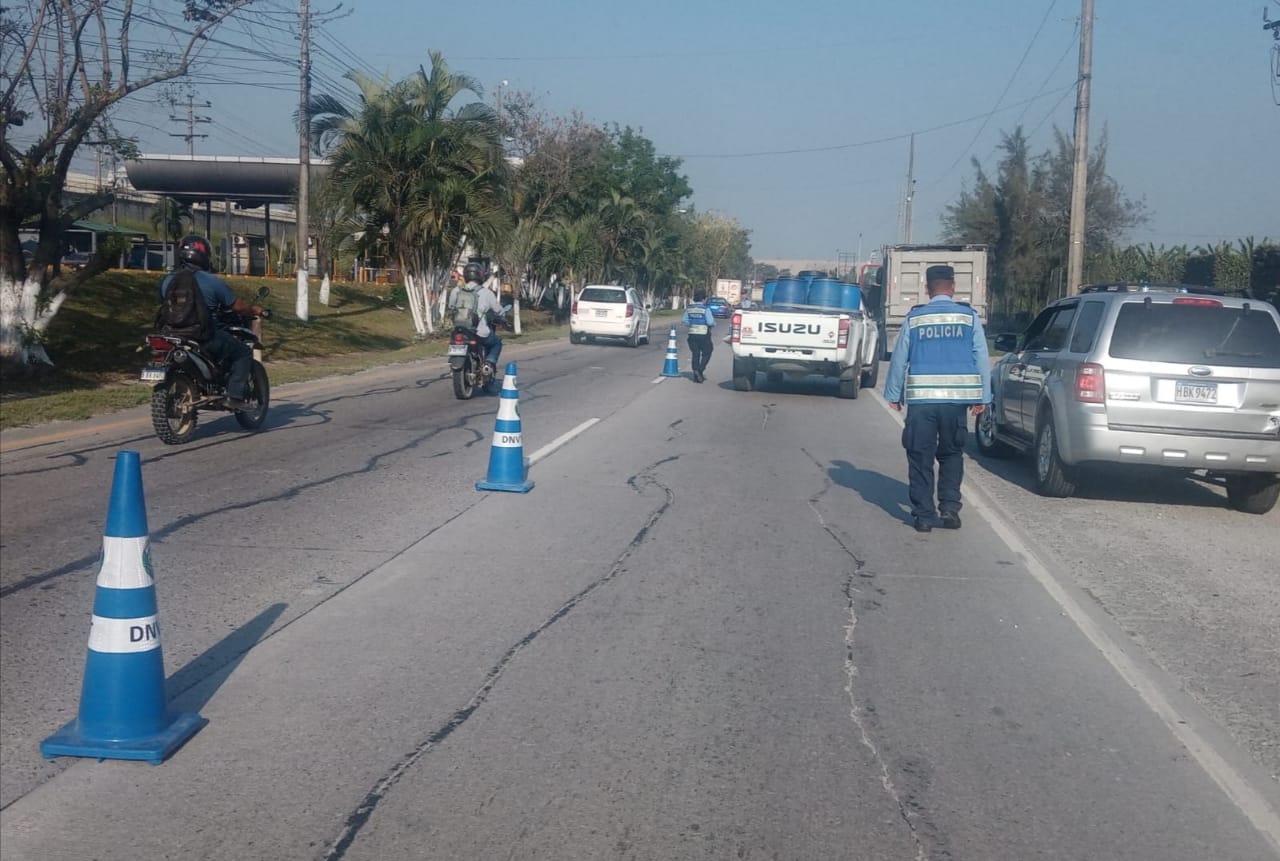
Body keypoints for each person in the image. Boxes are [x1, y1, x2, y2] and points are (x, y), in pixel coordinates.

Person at [883, 265, 992, 533]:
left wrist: (894, 394)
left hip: (922, 402)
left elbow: (899, 359)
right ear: (953, 287)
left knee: (920, 455)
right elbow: (981, 357)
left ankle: (923, 516)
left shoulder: (915, 318)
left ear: (926, 289)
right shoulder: (969, 318)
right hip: (956, 402)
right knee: (952, 453)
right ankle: (950, 509)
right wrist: (983, 397)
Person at [158, 234, 261, 411]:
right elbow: (237, 306)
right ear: (204, 255)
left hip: (170, 333)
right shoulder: (211, 280)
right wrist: (254, 310)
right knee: (243, 352)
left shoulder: (168, 280)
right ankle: (235, 397)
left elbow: (163, 301)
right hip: (203, 334)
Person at [448, 262, 508, 370]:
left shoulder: (455, 291)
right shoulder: (486, 293)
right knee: (496, 343)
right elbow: (499, 311)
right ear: (480, 275)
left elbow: (451, 307)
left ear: (465, 276)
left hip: (458, 331)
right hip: (478, 332)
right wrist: (503, 317)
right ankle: (489, 363)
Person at [682, 289, 716, 383]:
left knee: (695, 353)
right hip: (704, 335)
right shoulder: (705, 309)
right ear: (704, 299)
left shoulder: (689, 308)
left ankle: (695, 370)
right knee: (707, 352)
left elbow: (685, 320)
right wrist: (713, 324)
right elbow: (710, 322)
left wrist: (692, 323)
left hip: (692, 334)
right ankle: (700, 370)